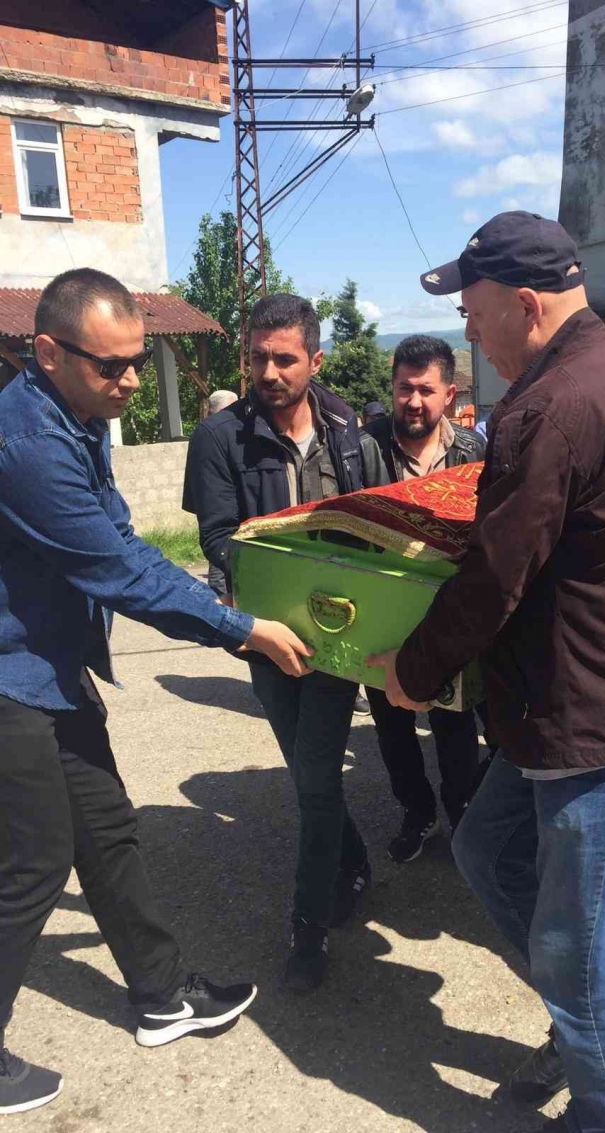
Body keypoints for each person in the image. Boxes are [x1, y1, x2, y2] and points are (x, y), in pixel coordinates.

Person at [369, 211, 605, 1133]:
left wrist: (411, 671)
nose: (470, 333)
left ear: (528, 305)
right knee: (487, 850)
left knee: (571, 949)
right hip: (601, 698)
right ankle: (596, 1015)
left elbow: (496, 573)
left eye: (477, 313)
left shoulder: (550, 406)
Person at [0, 269, 313, 1114]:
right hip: (8, 681)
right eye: (113, 366)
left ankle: (162, 995)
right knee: (30, 862)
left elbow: (123, 538)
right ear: (49, 353)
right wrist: (241, 626)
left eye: (139, 362)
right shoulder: (25, 446)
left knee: (106, 833)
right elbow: (117, 571)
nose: (132, 380)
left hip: (49, 670)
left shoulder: (77, 415)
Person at [183, 293, 386, 991]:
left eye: (284, 358)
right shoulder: (219, 438)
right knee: (311, 776)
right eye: (257, 357)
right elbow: (214, 536)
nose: (267, 372)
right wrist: (269, 576)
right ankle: (355, 862)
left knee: (318, 775)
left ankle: (309, 926)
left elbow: (368, 515)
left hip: (338, 631)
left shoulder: (345, 426)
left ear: (315, 360)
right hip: (265, 637)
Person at [362, 335, 485, 861]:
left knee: (453, 722)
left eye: (426, 391)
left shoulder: (472, 451)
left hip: (451, 613)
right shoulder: (364, 448)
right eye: (404, 389)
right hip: (381, 609)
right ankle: (417, 810)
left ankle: (462, 810)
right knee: (392, 725)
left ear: (450, 394)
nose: (414, 402)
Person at [202, 389, 240, 595]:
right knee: (220, 562)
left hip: (237, 514)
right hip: (221, 516)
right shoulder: (208, 437)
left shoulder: (237, 435)